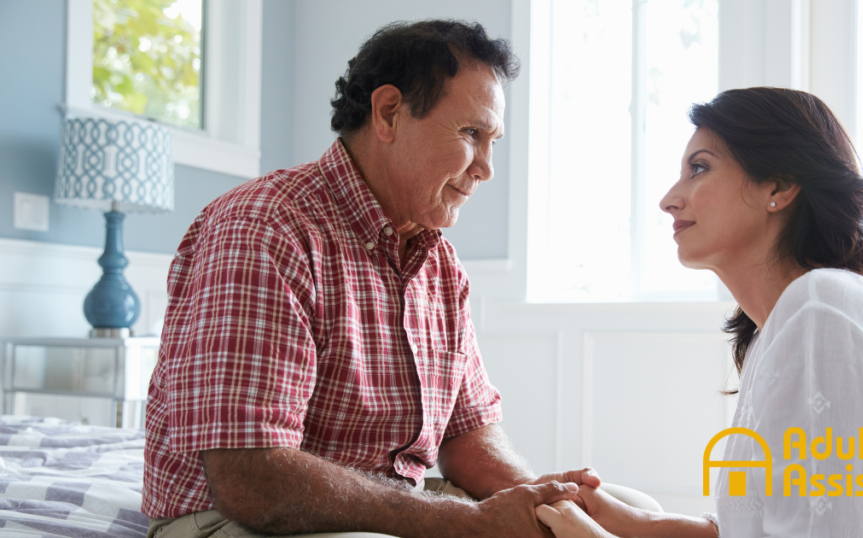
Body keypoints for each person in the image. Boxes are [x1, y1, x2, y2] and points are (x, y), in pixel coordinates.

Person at [142, 20, 658, 538]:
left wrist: (545, 506)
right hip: (230, 519)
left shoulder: (439, 262)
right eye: (470, 134)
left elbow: (468, 435)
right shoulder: (266, 229)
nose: (486, 168)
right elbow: (250, 479)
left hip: (381, 507)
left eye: (493, 141)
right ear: (388, 112)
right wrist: (470, 523)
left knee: (622, 504)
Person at [533, 87, 863, 537]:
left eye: (699, 168)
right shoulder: (794, 320)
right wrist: (638, 523)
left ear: (779, 186)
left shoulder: (824, 314)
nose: (669, 199)